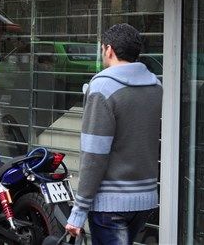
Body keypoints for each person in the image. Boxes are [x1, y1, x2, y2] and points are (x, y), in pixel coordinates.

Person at [65, 23, 162, 245]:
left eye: (102, 49)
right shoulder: (155, 86)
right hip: (144, 199)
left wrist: (78, 211)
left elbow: (94, 156)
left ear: (109, 50)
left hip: (111, 204)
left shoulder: (102, 88)